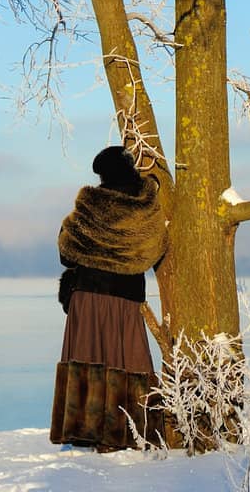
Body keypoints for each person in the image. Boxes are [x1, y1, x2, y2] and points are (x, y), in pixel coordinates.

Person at [49, 145, 168, 453]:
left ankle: (86, 430)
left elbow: (66, 250)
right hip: (127, 295)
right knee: (128, 360)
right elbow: (156, 247)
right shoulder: (147, 205)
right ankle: (133, 431)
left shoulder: (90, 204)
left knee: (88, 357)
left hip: (89, 293)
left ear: (101, 173)